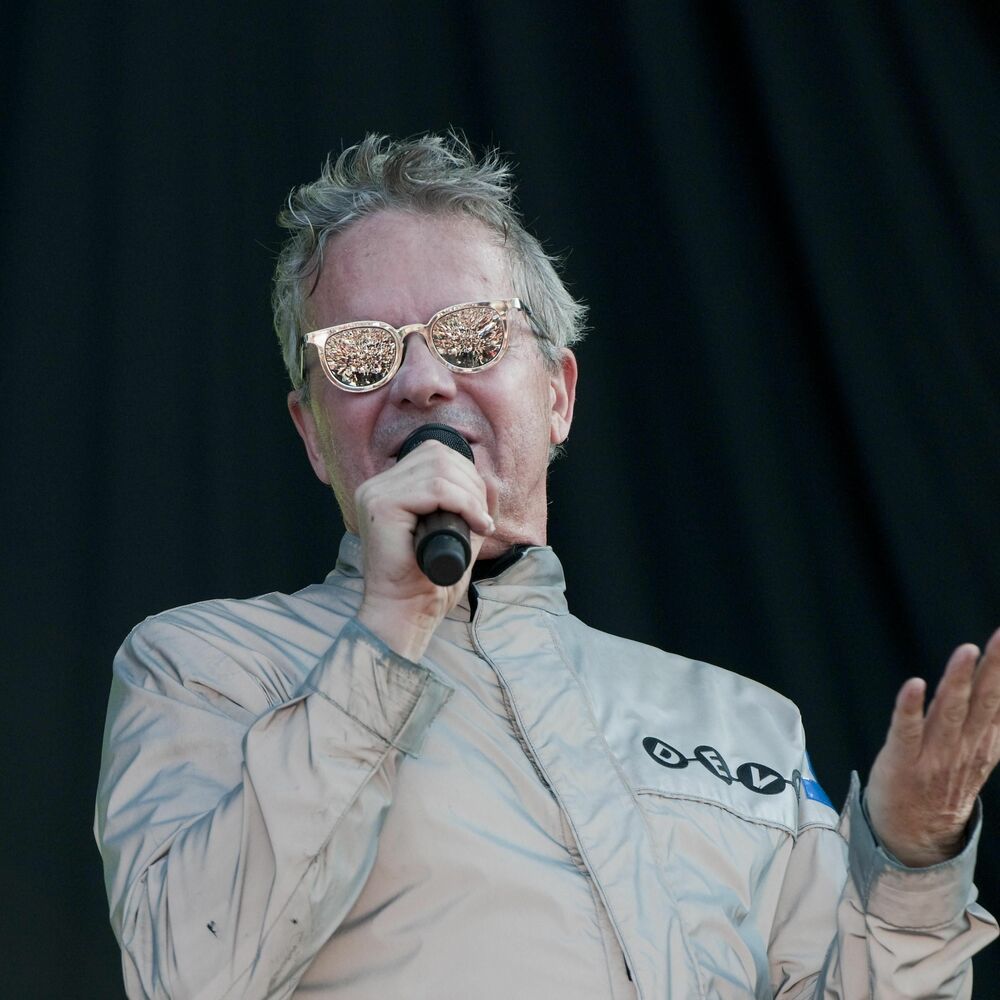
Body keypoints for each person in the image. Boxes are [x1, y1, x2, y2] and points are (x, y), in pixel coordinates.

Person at [95, 133, 1000, 999]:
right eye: (363, 353)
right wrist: (388, 630)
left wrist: (913, 867)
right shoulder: (205, 668)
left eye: (471, 336)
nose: (422, 380)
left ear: (558, 394)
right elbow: (190, 977)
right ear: (312, 435)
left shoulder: (746, 723)